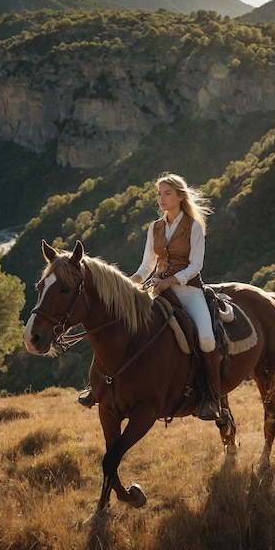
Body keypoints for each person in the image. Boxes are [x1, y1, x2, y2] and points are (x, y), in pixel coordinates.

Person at [78, 172, 222, 420]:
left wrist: (169, 281)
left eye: (167, 194)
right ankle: (98, 385)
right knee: (119, 325)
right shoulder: (154, 228)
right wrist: (129, 283)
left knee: (207, 339)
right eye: (159, 194)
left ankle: (211, 395)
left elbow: (195, 265)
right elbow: (147, 266)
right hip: (157, 289)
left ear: (179, 196)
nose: (162, 199)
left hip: (188, 291)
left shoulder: (194, 226)